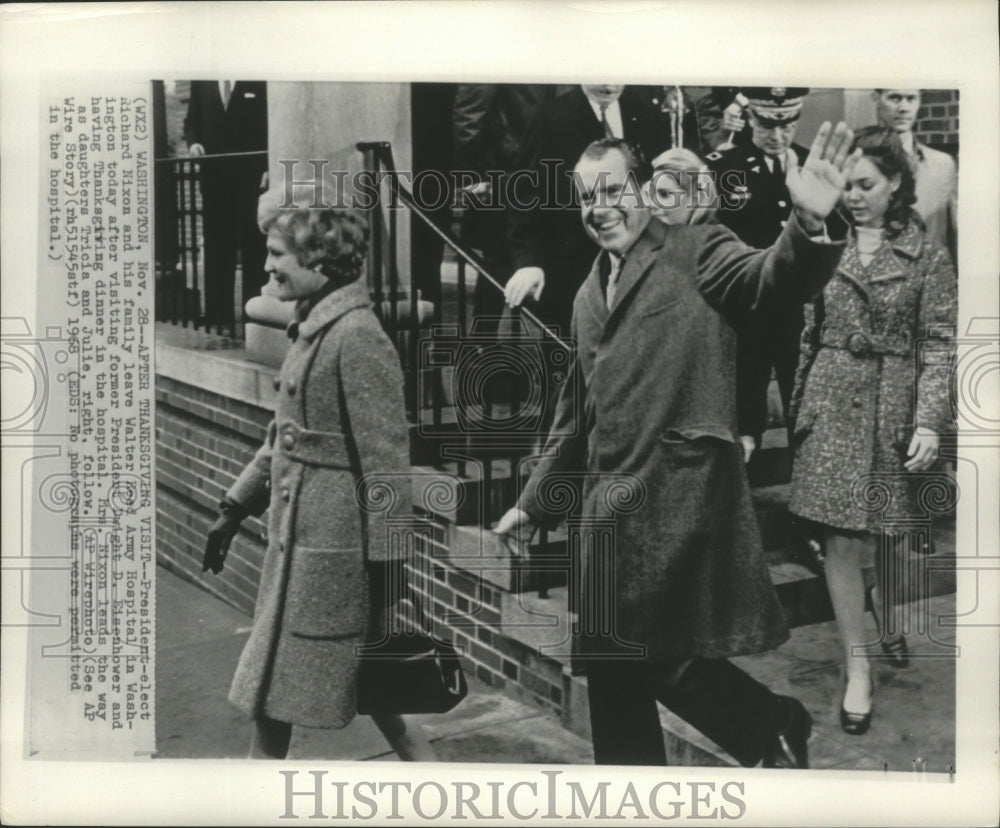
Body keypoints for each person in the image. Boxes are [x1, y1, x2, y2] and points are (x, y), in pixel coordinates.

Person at [495, 123, 861, 768]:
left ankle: (771, 720)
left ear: (641, 190)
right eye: (586, 197)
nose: (599, 208)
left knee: (661, 659)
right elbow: (575, 414)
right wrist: (534, 502)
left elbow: (769, 280)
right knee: (613, 677)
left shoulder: (699, 248)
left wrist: (806, 225)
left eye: (612, 190)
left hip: (678, 501)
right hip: (605, 521)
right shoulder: (587, 293)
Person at [201, 198, 436, 761]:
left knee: (309, 697)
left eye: (278, 253)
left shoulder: (356, 336)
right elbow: (285, 436)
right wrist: (236, 505)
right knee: (366, 696)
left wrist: (387, 577)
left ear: (321, 262)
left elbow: (386, 467)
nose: (267, 266)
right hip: (304, 554)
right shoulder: (313, 326)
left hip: (336, 562)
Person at [787, 126, 956, 735]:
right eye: (848, 186)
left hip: (893, 405)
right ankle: (857, 666)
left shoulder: (928, 256)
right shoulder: (821, 242)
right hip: (832, 400)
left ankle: (884, 617)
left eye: (866, 185)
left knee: (884, 536)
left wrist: (930, 422)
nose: (853, 196)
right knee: (840, 539)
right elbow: (808, 330)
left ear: (895, 187)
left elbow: (939, 344)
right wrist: (799, 411)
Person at [503, 85, 669, 337]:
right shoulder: (549, 117)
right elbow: (523, 198)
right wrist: (528, 263)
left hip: (638, 266)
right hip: (570, 271)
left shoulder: (647, 113)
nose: (609, 85)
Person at [706, 87, 811, 453]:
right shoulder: (722, 166)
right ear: (749, 117)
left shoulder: (810, 164)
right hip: (745, 306)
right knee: (743, 411)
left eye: (787, 126)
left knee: (802, 399)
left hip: (800, 307)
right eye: (767, 125)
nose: (777, 136)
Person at [184, 80, 269, 327]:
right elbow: (192, 121)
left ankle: (254, 315)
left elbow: (268, 123)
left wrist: (267, 166)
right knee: (217, 247)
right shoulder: (202, 83)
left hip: (251, 178)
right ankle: (217, 314)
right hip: (215, 180)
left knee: (254, 245)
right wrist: (194, 142)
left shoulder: (257, 78)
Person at [872, 89, 957, 263]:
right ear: (876, 98)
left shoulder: (942, 165)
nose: (903, 107)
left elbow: (954, 234)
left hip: (932, 277)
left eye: (911, 98)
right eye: (894, 98)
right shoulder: (859, 163)